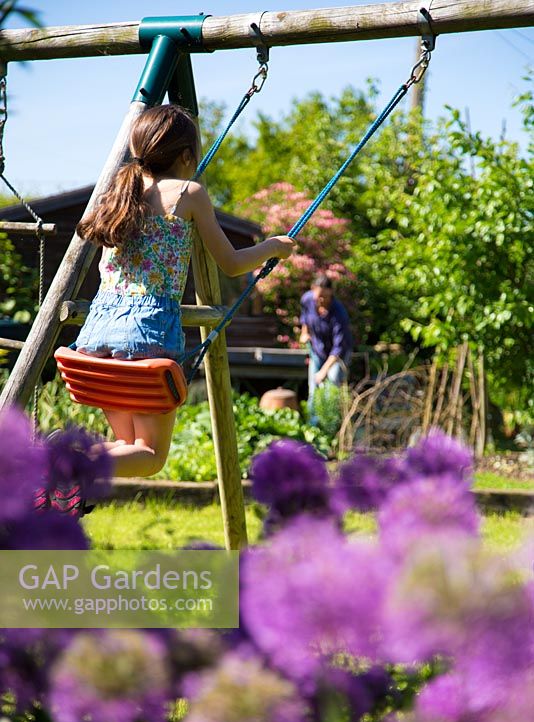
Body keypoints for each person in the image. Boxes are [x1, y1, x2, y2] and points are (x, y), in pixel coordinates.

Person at [74, 104, 296, 480]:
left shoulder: (117, 192)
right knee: (150, 457)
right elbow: (230, 261)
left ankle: (65, 463)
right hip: (146, 335)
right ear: (187, 155)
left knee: (126, 444)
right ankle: (62, 466)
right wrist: (273, 246)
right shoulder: (189, 193)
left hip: (96, 337)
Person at [299, 275, 353, 421]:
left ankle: (331, 423)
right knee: (313, 389)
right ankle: (313, 426)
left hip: (337, 355)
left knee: (332, 384)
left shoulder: (339, 313)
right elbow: (305, 317)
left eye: (326, 297)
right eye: (319, 296)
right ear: (312, 290)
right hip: (317, 350)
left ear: (331, 294)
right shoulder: (307, 299)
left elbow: (339, 347)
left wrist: (323, 371)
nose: (322, 300)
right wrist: (304, 332)